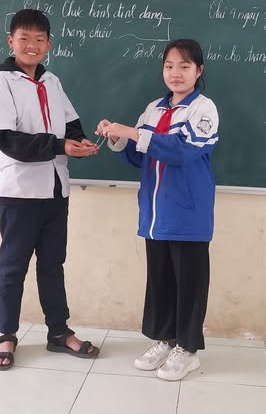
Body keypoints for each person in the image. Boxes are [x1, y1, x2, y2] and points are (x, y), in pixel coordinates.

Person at [0, 9, 100, 370]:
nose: (31, 46)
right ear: (11, 42)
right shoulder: (0, 83)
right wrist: (61, 146)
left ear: (48, 44)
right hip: (19, 192)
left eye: (39, 39)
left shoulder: (52, 82)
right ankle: (6, 335)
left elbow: (71, 124)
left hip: (55, 190)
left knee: (52, 265)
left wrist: (81, 142)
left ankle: (59, 331)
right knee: (13, 266)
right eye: (24, 38)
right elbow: (8, 141)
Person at [95, 38, 219, 381]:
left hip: (188, 212)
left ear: (199, 70)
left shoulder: (204, 109)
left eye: (184, 66)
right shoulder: (154, 108)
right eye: (169, 66)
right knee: (161, 280)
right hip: (155, 212)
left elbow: (182, 151)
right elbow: (140, 156)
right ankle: (166, 340)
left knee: (189, 283)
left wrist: (133, 132)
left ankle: (188, 350)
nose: (175, 73)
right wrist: (117, 137)